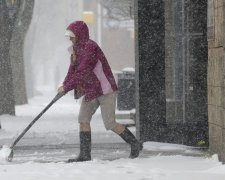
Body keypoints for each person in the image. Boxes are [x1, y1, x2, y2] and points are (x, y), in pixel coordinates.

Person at [58, 21, 141, 162]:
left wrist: (67, 88)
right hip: (91, 90)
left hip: (105, 89)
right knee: (83, 119)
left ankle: (135, 144)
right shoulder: (75, 52)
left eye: (72, 36)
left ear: (79, 34)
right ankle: (85, 155)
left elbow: (82, 72)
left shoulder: (91, 47)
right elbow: (72, 72)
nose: (70, 39)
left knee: (110, 123)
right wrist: (64, 85)